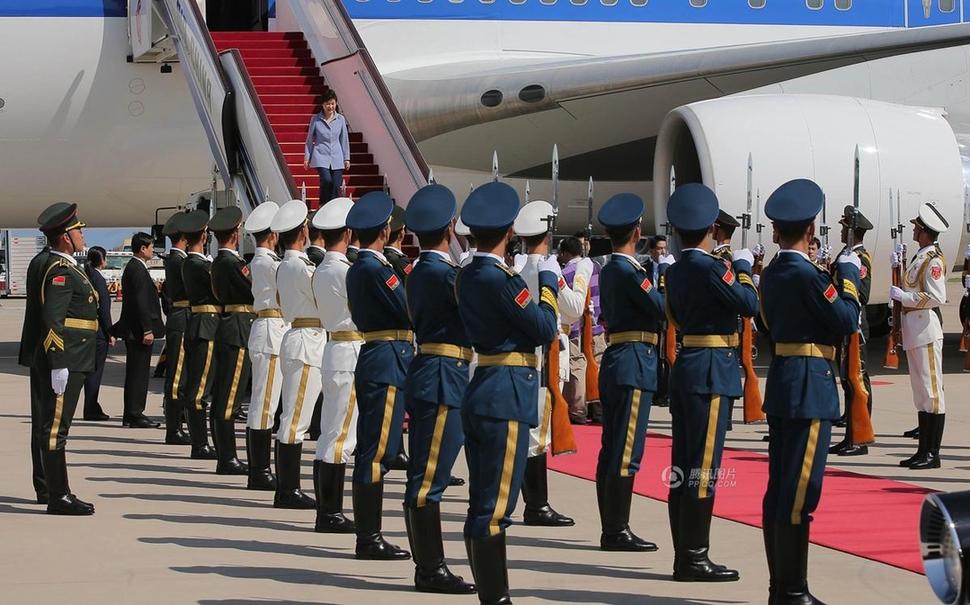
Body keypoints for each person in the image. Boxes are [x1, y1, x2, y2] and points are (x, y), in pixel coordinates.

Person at [456, 182, 560, 604]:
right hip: (506, 394)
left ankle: (489, 593)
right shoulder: (502, 279)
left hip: (483, 386)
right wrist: (549, 286)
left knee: (481, 503)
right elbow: (544, 329)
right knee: (496, 507)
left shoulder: (466, 274)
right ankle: (495, 599)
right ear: (508, 232)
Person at [760, 179, 861, 603]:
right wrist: (852, 276)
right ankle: (793, 591)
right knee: (801, 491)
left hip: (785, 379)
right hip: (808, 385)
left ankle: (780, 586)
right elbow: (847, 319)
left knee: (780, 488)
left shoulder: (772, 273)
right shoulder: (806, 274)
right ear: (810, 229)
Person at [664, 183, 759, 582]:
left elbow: (670, 314)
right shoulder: (709, 266)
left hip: (688, 365)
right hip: (711, 368)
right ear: (709, 226)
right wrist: (744, 268)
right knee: (703, 468)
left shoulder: (674, 269)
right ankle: (694, 558)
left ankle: (683, 554)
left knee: (682, 466)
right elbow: (748, 304)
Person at [400, 184, 476, 594]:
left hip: (436, 368)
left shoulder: (420, 272)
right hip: (444, 375)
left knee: (426, 474)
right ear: (449, 227)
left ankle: (429, 565)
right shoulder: (445, 275)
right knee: (429, 478)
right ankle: (430, 569)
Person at [595, 193, 666, 552]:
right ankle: (616, 530)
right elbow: (658, 307)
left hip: (618, 359)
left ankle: (612, 526)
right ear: (637, 232)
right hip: (634, 361)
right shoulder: (628, 270)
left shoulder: (609, 269)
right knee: (625, 450)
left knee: (611, 448)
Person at [345, 191, 414, 560]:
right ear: (385, 231)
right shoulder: (374, 268)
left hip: (384, 356)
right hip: (386, 359)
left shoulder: (365, 266)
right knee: (374, 455)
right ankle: (368, 538)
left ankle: (368, 535)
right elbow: (407, 308)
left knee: (378, 451)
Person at [512, 200, 586, 528]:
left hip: (523, 352)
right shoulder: (549, 268)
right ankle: (537, 506)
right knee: (537, 434)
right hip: (545, 353)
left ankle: (533, 502)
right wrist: (581, 276)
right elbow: (573, 309)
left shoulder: (513, 265)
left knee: (529, 429)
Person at [30, 203, 97, 514]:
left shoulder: (69, 267)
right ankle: (58, 496)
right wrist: (58, 363)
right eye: (78, 230)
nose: (82, 234)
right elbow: (52, 320)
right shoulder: (60, 271)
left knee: (56, 426)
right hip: (67, 359)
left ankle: (59, 491)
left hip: (77, 357)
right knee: (56, 428)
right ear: (65, 237)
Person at [310, 197, 360, 533]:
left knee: (330, 433)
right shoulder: (345, 272)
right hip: (349, 349)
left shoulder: (320, 271)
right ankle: (330, 513)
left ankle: (327, 509)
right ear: (348, 232)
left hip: (332, 349)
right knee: (341, 437)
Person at [271, 199, 323, 509]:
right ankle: (287, 490)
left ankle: (286, 488)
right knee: (295, 421)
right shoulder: (302, 267)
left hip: (296, 335)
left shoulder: (284, 266)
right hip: (306, 340)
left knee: (293, 416)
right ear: (303, 232)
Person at [891, 202, 950, 470]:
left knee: (931, 393)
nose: (913, 229)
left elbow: (938, 296)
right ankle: (922, 450)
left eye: (917, 227)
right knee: (920, 393)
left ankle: (932, 453)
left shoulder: (933, 260)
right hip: (915, 332)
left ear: (925, 232)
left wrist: (906, 298)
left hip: (926, 332)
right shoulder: (920, 256)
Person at [208, 207, 255, 475]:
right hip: (237, 328)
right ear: (235, 235)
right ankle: (227, 458)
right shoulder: (232, 264)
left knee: (225, 396)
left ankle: (226, 456)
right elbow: (253, 290)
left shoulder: (219, 262)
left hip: (231, 325)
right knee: (229, 399)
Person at [244, 202, 285, 491]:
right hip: (271, 331)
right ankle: (259, 471)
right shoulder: (269, 263)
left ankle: (260, 468)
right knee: (264, 404)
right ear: (272, 234)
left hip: (266, 328)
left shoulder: (258, 261)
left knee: (264, 402)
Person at [829, 206, 875, 457]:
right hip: (844, 325)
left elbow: (863, 294)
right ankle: (850, 435)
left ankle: (860, 438)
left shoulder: (861, 258)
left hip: (855, 326)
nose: (841, 230)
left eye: (844, 227)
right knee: (848, 382)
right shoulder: (845, 255)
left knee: (858, 382)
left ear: (851, 231)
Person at [180, 210, 219, 460]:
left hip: (200, 322)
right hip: (206, 324)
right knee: (199, 388)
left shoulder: (191, 262)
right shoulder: (198, 264)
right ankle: (200, 443)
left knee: (199, 385)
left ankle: (200, 441)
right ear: (204, 236)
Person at [115, 232, 164, 429]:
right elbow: (141, 303)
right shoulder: (137, 269)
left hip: (135, 330)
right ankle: (135, 413)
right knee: (138, 373)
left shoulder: (136, 268)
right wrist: (146, 330)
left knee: (136, 372)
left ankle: (132, 413)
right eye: (151, 247)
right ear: (142, 249)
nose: (153, 250)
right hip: (138, 331)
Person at [560, 236, 605, 425]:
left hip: (577, 327)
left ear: (565, 253)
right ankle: (599, 408)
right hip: (598, 325)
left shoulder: (565, 273)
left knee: (577, 365)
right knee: (599, 366)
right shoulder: (596, 267)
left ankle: (578, 409)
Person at [160, 214, 192, 446]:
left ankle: (178, 424)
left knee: (182, 376)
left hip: (182, 317)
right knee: (177, 377)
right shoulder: (179, 261)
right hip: (181, 319)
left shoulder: (175, 259)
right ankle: (174, 428)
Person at [303, 89, 350, 205]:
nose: (330, 106)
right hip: (320, 155)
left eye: (332, 103)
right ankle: (323, 204)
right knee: (327, 180)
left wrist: (346, 158)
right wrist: (307, 158)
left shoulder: (340, 119)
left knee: (335, 183)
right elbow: (309, 140)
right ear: (322, 104)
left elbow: (344, 139)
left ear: (336, 103)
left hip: (337, 156)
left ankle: (332, 207)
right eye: (327, 104)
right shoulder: (316, 119)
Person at [642, 235, 673, 408]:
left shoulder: (670, 267)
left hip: (666, 318)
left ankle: (664, 392)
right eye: (659, 248)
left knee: (667, 355)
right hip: (650, 316)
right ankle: (652, 390)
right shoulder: (643, 268)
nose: (662, 251)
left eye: (664, 248)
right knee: (651, 355)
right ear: (652, 250)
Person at [82, 246, 112, 422]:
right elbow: (105, 309)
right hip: (98, 331)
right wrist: (110, 332)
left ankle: (91, 406)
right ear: (101, 260)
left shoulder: (87, 275)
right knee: (95, 372)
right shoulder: (98, 278)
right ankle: (91, 407)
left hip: (87, 329)